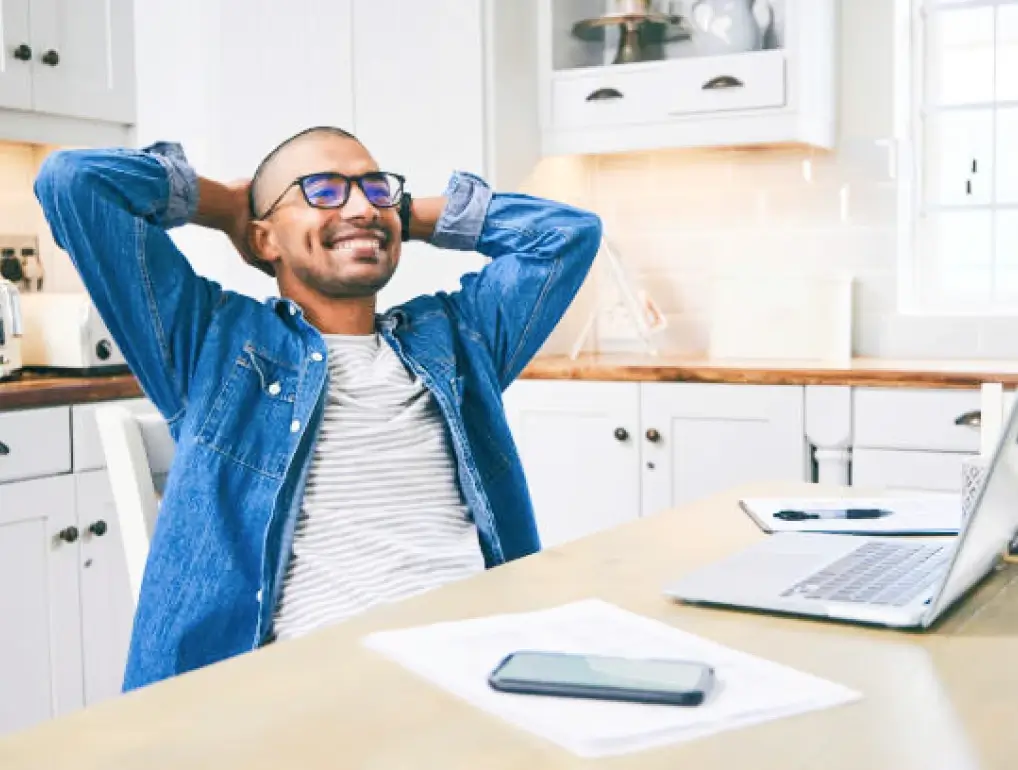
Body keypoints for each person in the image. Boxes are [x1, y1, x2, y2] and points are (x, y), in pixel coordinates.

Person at [34, 126, 602, 691]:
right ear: (264, 241)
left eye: (376, 189)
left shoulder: (457, 338)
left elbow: (566, 235)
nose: (360, 206)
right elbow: (76, 183)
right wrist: (224, 205)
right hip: (316, 688)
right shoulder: (212, 342)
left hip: (483, 662)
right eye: (324, 191)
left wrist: (400, 213)